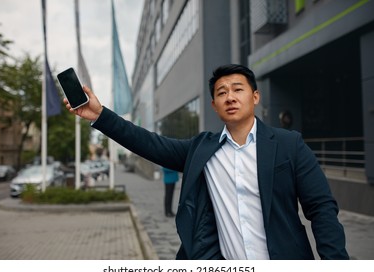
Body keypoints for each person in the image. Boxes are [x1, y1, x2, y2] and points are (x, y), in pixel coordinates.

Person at [64, 64, 349, 260]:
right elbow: (147, 142)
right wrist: (101, 116)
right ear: (214, 105)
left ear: (255, 96)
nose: (230, 97)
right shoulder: (202, 149)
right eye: (221, 92)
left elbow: (322, 209)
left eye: (238, 89)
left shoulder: (289, 145)